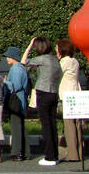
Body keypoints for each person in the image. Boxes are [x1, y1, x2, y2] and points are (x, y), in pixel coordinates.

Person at [23, 36, 61, 166]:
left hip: (43, 92)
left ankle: (49, 156)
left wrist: (29, 46)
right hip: (54, 92)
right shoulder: (55, 60)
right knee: (52, 124)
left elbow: (23, 62)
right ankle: (54, 154)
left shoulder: (41, 59)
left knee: (45, 125)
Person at [3, 46, 31, 161]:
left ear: (13, 57)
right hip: (21, 100)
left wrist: (6, 82)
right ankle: (25, 152)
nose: (6, 58)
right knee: (21, 126)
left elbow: (15, 86)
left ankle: (17, 152)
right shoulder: (21, 68)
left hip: (16, 100)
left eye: (8, 56)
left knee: (15, 126)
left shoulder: (16, 69)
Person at [56, 39, 82, 163]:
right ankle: (79, 152)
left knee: (69, 125)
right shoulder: (75, 61)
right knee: (77, 124)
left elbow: (56, 74)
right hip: (76, 91)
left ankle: (72, 154)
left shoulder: (64, 62)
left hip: (67, 94)